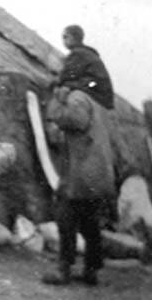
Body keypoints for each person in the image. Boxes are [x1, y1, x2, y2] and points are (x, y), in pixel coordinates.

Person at [42, 85, 116, 286]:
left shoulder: (78, 98)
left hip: (82, 176)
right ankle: (91, 271)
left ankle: (64, 269)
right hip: (95, 176)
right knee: (90, 225)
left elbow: (72, 119)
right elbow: (64, 136)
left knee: (66, 219)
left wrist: (57, 99)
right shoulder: (98, 102)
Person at [58, 25, 114, 110]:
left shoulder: (78, 53)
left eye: (65, 37)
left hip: (95, 90)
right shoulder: (87, 53)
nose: (63, 40)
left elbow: (65, 77)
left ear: (74, 37)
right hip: (102, 95)